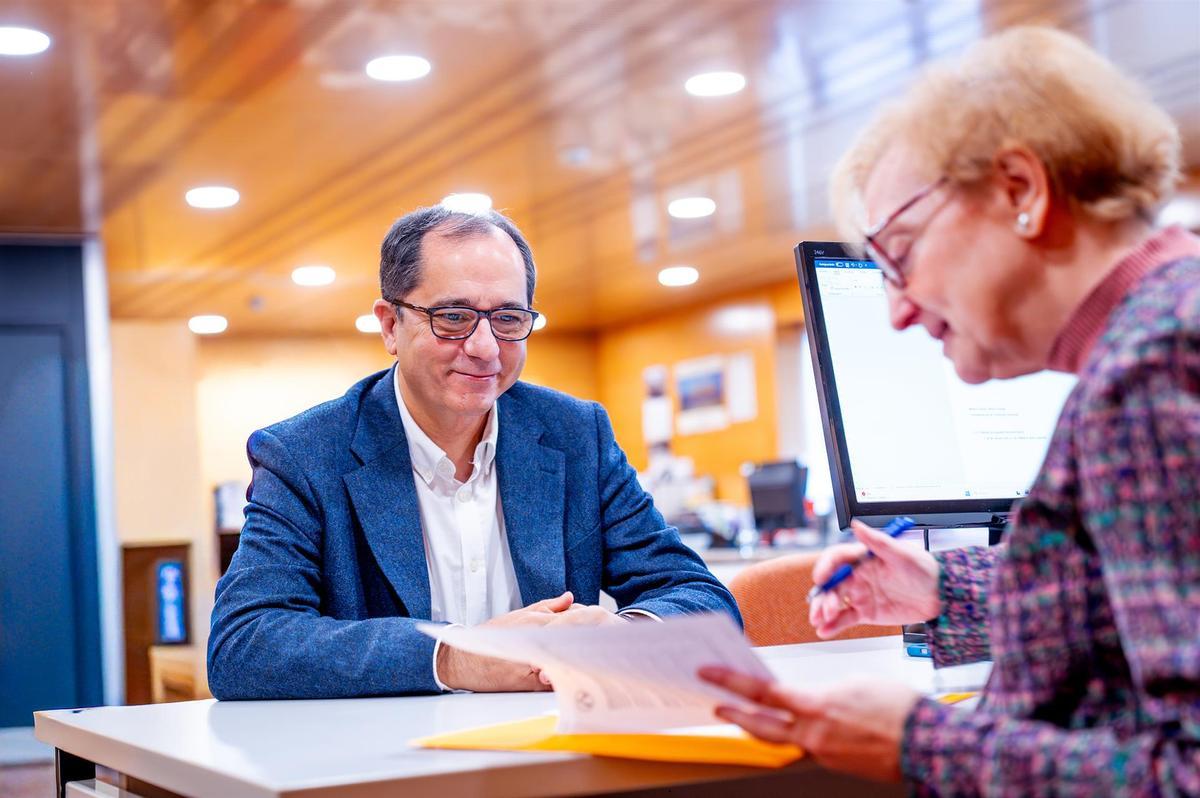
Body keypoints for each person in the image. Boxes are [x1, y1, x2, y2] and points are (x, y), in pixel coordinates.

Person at [700, 26, 1199, 794]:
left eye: (900, 252)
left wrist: (915, 739)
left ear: (1021, 191)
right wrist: (945, 591)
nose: (897, 311)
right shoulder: (1171, 320)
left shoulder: (1149, 372)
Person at [208, 206, 739, 699]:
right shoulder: (303, 454)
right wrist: (456, 656)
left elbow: (702, 598)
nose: (485, 348)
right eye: (454, 317)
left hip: (556, 757)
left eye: (508, 319)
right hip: (383, 771)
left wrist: (623, 633)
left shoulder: (576, 435)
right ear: (391, 326)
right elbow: (244, 643)